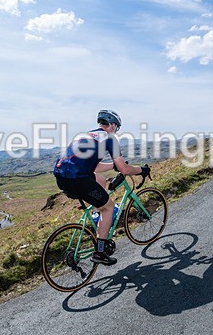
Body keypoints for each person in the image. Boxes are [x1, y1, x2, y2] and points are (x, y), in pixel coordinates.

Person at [53, 109, 150, 265]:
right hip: (78, 180)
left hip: (61, 178)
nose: (116, 131)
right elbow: (125, 170)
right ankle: (100, 252)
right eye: (117, 128)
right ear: (112, 125)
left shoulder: (84, 135)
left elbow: (95, 167)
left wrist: (113, 165)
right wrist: (142, 170)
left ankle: (98, 215)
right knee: (109, 207)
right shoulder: (110, 138)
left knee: (100, 179)